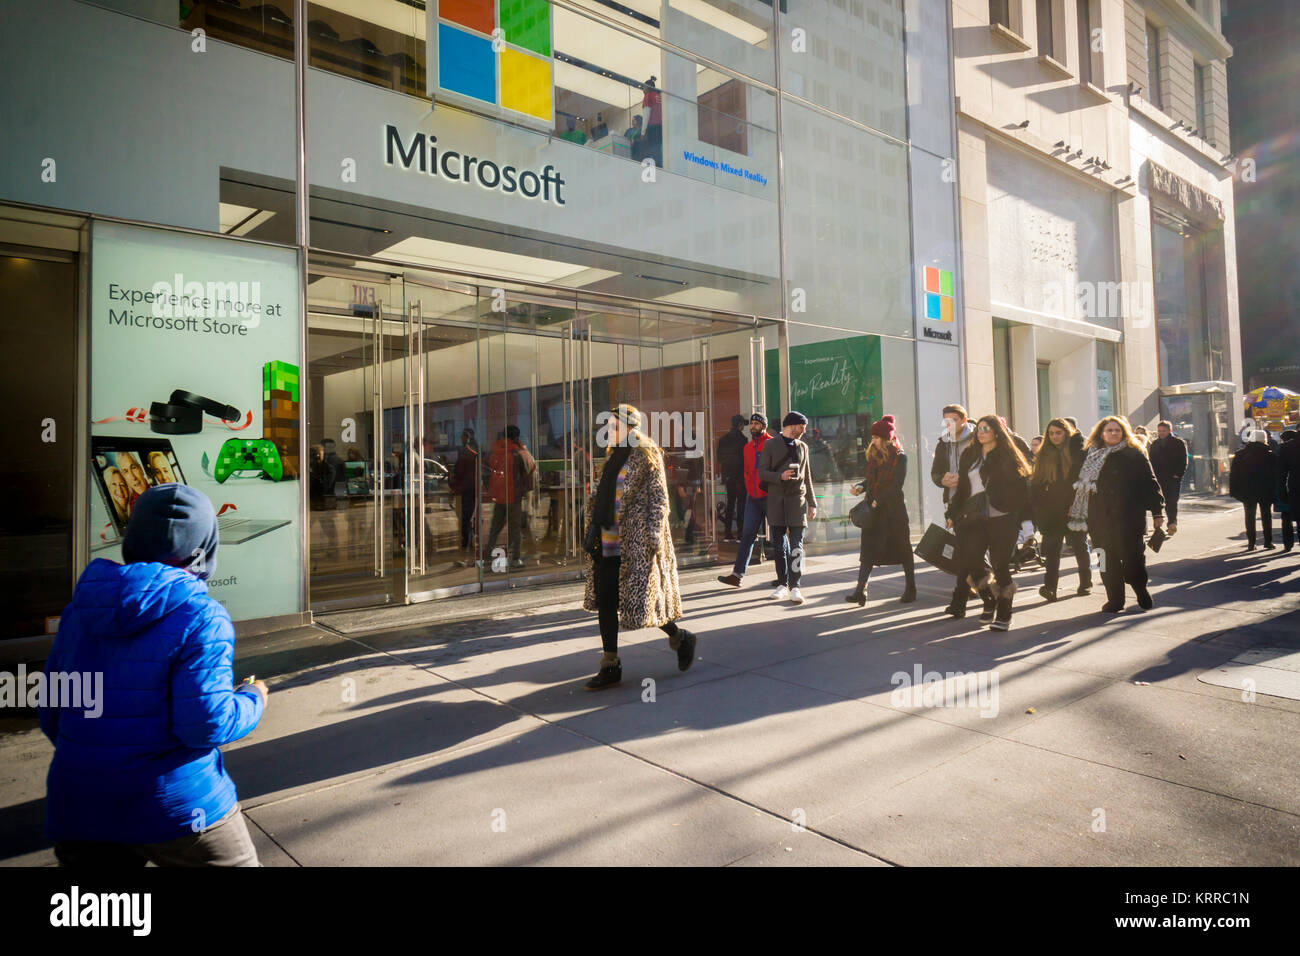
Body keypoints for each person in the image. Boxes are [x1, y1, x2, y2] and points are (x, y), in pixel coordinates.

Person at [40, 484, 267, 866]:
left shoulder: (80, 609)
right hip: (179, 807)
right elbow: (205, 725)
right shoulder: (202, 616)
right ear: (205, 547)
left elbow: (52, 713)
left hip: (80, 806)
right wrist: (253, 699)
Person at [582, 404, 697, 691]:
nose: (609, 430)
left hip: (636, 541)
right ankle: (610, 664)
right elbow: (602, 495)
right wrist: (592, 521)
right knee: (607, 601)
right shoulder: (611, 457)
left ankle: (680, 637)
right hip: (608, 540)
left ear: (631, 428)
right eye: (608, 426)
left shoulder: (646, 455)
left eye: (615, 426)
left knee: (643, 603)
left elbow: (660, 499)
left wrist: (654, 537)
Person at [1069, 416, 1165, 612]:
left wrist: (1157, 512)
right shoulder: (1088, 454)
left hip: (1129, 517)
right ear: (1101, 433)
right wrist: (1071, 504)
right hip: (1098, 519)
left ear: (1124, 433)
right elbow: (1075, 483)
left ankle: (1140, 589)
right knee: (1104, 560)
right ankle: (1115, 599)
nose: (1113, 433)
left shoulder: (1134, 454)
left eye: (1117, 430)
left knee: (1133, 560)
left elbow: (1150, 482)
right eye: (1109, 430)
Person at [945, 415, 1031, 629]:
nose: (981, 432)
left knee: (1001, 565)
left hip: (1003, 518)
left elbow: (1023, 492)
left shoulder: (1008, 456)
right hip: (973, 517)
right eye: (979, 429)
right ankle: (989, 600)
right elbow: (963, 488)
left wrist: (1026, 523)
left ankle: (1004, 612)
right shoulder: (970, 454)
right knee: (971, 561)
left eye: (986, 428)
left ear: (996, 431)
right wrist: (952, 512)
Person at [845, 415, 916, 606]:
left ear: (887, 439)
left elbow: (896, 486)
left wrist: (878, 501)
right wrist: (860, 486)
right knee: (867, 550)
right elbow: (871, 480)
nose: (873, 441)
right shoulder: (874, 456)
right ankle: (861, 590)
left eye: (877, 438)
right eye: (873, 437)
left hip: (893, 511)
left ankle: (911, 587)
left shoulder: (900, 458)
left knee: (903, 549)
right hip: (874, 511)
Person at [757, 411, 818, 604]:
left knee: (796, 546)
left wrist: (813, 503)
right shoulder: (770, 444)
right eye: (802, 426)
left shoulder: (803, 447)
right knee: (779, 546)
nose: (804, 430)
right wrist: (779, 476)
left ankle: (796, 586)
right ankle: (782, 584)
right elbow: (762, 473)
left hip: (797, 501)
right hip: (776, 501)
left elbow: (807, 476)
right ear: (791, 426)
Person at [1031, 418, 1091, 601]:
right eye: (1051, 433)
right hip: (1051, 509)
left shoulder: (1076, 452)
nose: (1055, 436)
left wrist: (1076, 504)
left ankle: (1085, 582)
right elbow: (1037, 483)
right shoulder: (1044, 454)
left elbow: (1082, 480)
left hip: (1073, 507)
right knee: (1051, 549)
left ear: (1066, 433)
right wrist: (1038, 507)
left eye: (1059, 433)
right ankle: (1050, 588)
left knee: (1080, 546)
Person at [717, 413, 772, 587]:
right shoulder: (746, 447)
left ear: (763, 426)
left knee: (778, 538)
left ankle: (785, 577)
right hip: (752, 497)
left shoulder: (772, 444)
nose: (753, 426)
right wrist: (748, 487)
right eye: (752, 424)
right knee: (747, 535)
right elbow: (746, 470)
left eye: (757, 423)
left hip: (769, 497)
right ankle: (737, 574)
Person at [481, 425, 536, 570]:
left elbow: (484, 470)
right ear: (516, 437)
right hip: (513, 496)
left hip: (498, 496)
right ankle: (515, 558)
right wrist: (523, 448)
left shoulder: (494, 450)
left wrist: (491, 488)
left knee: (495, 528)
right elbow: (531, 465)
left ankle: (487, 559)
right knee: (515, 528)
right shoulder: (518, 452)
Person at [1229, 429, 1277, 551]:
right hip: (1265, 489)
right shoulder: (1270, 455)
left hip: (1247, 490)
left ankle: (1251, 543)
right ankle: (1268, 542)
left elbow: (1234, 474)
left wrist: (1234, 490)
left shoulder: (1240, 454)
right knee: (1266, 515)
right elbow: (1275, 474)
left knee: (1249, 516)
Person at [1148, 420, 1188, 535]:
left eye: (1164, 431)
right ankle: (1158, 523)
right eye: (1159, 431)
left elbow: (1183, 460)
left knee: (1171, 501)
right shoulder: (1155, 444)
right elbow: (1151, 461)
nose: (1161, 433)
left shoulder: (1178, 443)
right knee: (1158, 501)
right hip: (1158, 478)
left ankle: (1172, 523)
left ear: (1169, 430)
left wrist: (1178, 475)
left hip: (1172, 478)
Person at [449, 428, 481, 561]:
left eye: (462, 436)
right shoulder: (475, 450)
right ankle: (470, 541)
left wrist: (455, 487)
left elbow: (460, 473)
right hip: (472, 488)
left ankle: (466, 542)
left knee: (465, 517)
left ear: (465, 437)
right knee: (469, 516)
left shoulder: (465, 452)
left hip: (466, 489)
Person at [717, 414, 749, 541]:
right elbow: (744, 460)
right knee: (741, 506)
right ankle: (741, 533)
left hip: (729, 478)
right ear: (740, 425)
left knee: (730, 505)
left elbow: (719, 458)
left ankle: (727, 532)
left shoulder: (723, 440)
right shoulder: (743, 440)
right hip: (740, 478)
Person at [1278, 429, 1298, 553]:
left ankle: (1288, 544)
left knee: (1289, 517)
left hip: (1294, 487)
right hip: (1293, 486)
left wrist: (1281, 490)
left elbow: (1281, 473)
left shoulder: (1286, 448)